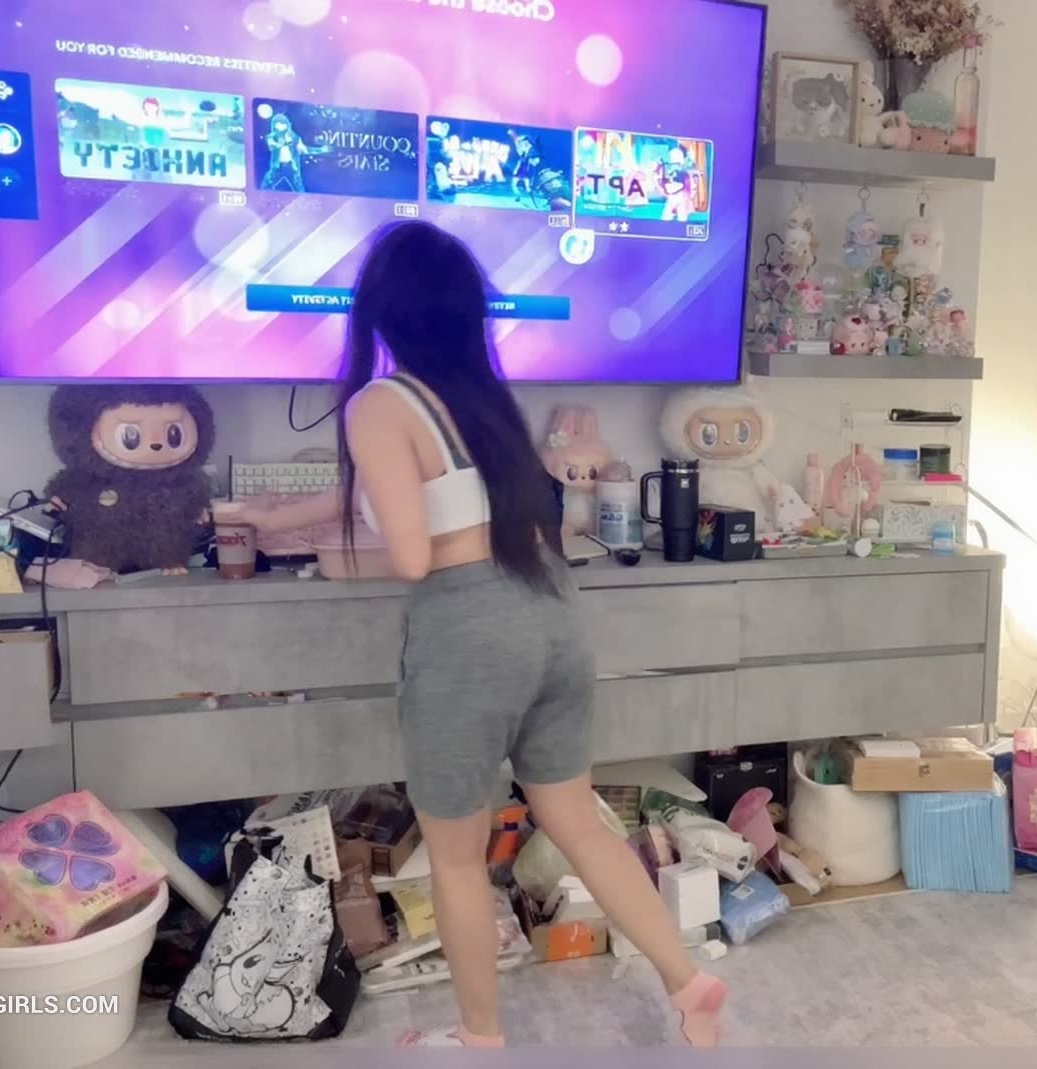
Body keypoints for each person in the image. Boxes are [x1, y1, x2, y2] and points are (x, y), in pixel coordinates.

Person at [234, 221, 726, 1047]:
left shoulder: (379, 403)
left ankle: (480, 1041)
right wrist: (278, 515)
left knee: (457, 856)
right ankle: (690, 980)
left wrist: (329, 553)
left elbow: (412, 552)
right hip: (551, 611)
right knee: (578, 821)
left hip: (471, 634)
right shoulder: (480, 400)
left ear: (380, 311)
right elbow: (436, 496)